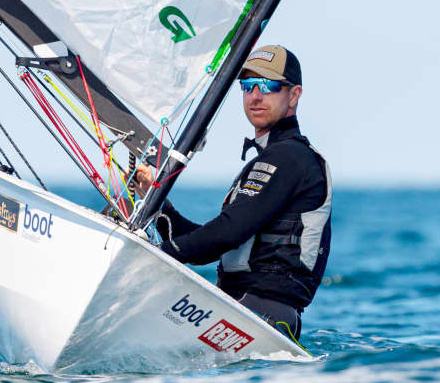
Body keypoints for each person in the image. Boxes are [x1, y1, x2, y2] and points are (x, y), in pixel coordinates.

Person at [134, 45, 331, 340]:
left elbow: (226, 234)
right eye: (248, 86)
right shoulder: (271, 157)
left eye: (267, 86)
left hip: (263, 315)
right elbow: (218, 243)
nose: (255, 96)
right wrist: (161, 208)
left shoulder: (289, 158)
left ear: (294, 94)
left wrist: (154, 256)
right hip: (241, 307)